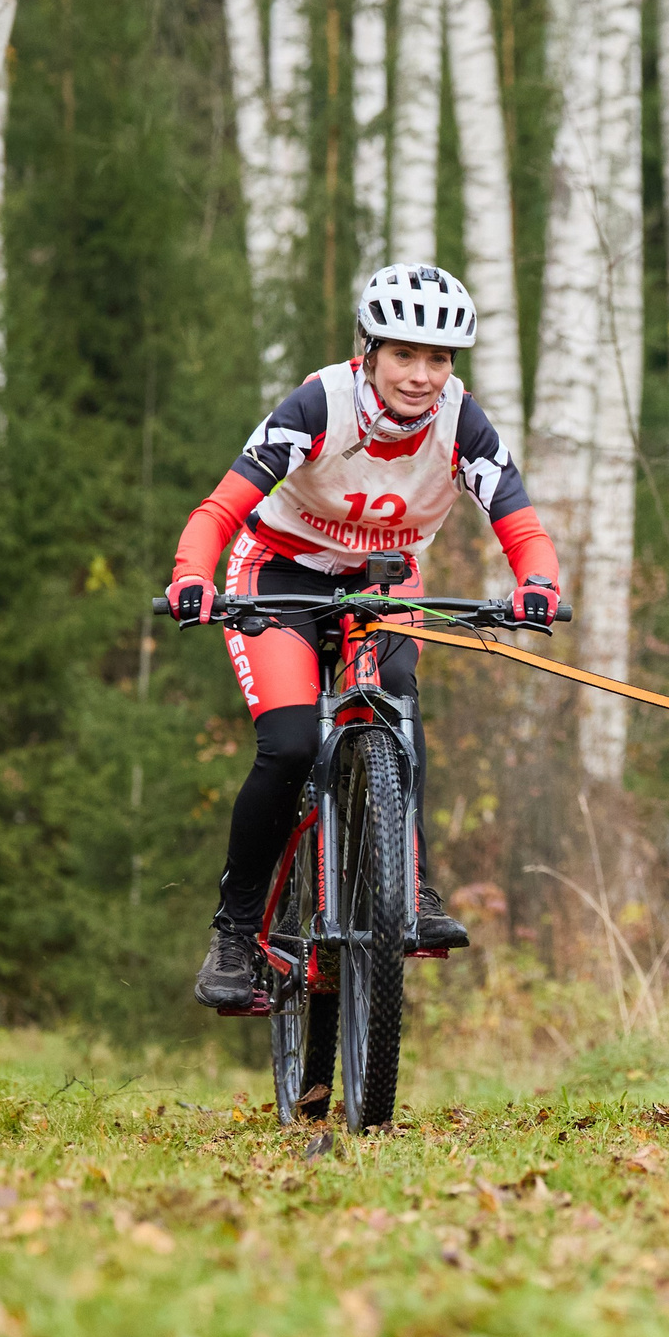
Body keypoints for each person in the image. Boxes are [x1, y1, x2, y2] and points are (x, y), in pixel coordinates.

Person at [163, 264, 562, 1009]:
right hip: (279, 575)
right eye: (404, 355)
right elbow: (219, 509)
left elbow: (521, 523)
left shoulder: (461, 421)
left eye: (438, 359)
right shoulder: (319, 403)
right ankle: (236, 932)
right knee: (287, 745)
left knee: (398, 712)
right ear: (368, 351)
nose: (421, 376)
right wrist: (193, 572)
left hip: (382, 580)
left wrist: (537, 584)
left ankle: (407, 883)